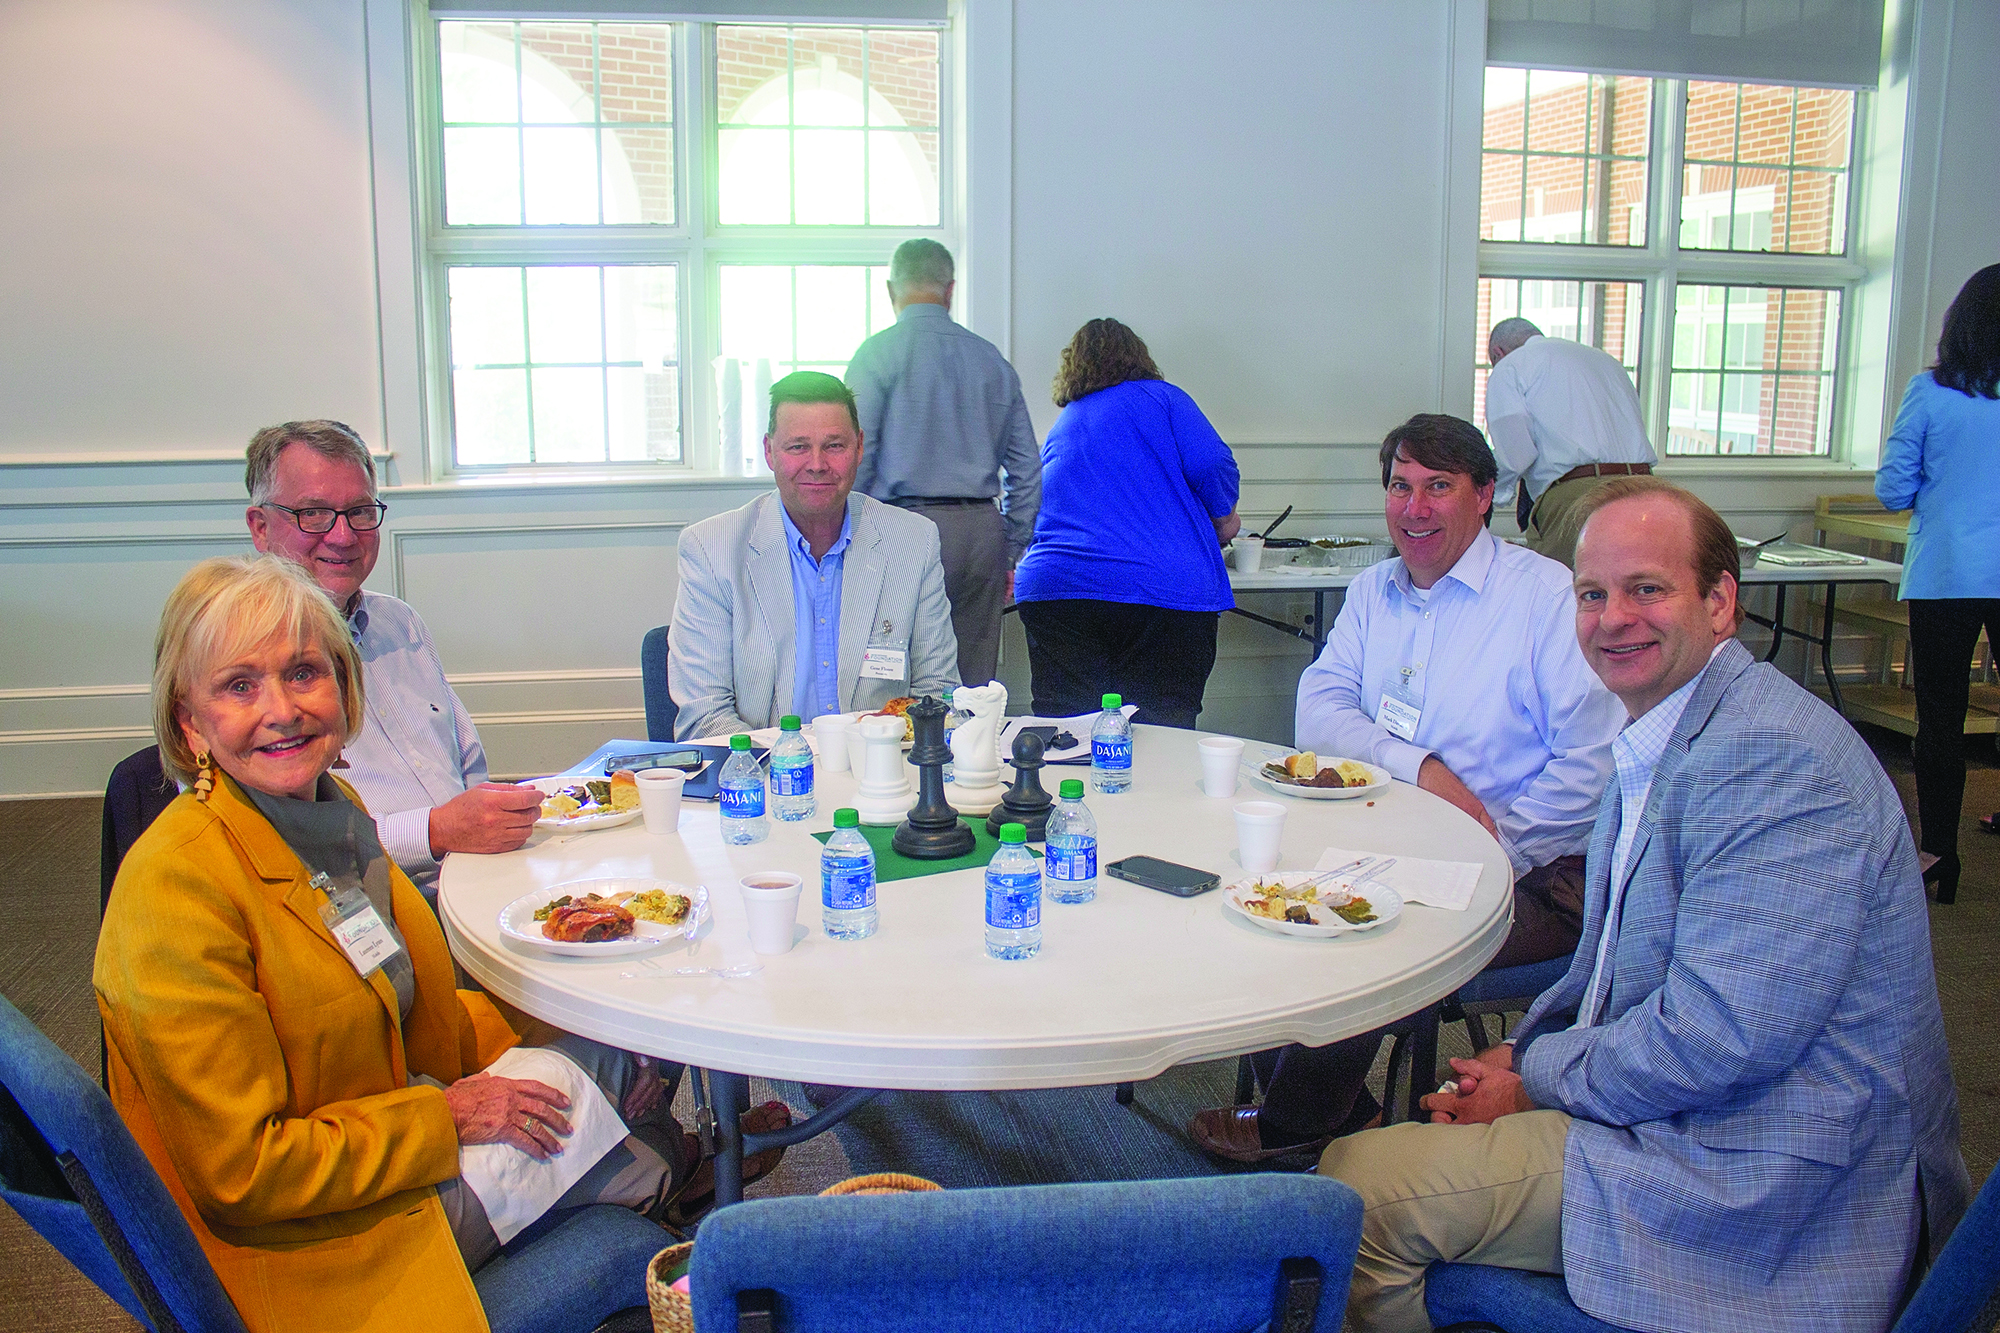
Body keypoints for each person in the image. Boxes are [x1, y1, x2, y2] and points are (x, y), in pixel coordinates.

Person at [1320, 477, 1971, 1333]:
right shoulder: (1675, 723)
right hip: (1701, 1105)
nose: (1611, 617)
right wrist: (1528, 1052)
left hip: (1767, 1168)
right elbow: (1626, 970)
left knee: (1359, 1193)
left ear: (1721, 602)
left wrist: (1534, 1082)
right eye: (1592, 594)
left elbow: (1719, 1036)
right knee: (1362, 1157)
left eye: (1647, 589)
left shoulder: (1775, 762)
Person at [93, 554, 696, 1333]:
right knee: (621, 1141)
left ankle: (663, 1168)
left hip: (377, 1132)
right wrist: (445, 1119)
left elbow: (410, 1011)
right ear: (188, 722)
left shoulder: (330, 811)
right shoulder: (175, 890)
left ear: (344, 692)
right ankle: (673, 1178)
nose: (281, 708)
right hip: (308, 1242)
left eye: (304, 672)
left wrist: (588, 1029)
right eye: (240, 686)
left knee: (620, 1033)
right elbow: (244, 1173)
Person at [1189, 413, 1622, 1164]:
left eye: (1439, 488)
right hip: (1385, 841)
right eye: (1400, 486)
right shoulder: (1372, 590)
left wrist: (1490, 852)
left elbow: (1592, 764)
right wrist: (1422, 767)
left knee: (1363, 937)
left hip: (1541, 870)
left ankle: (1299, 1125)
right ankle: (1336, 1102)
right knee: (1264, 893)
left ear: (1485, 495)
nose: (1415, 509)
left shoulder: (1547, 600)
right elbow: (1317, 710)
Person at [244, 420, 541, 901]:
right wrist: (438, 831)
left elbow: (467, 764)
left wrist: (485, 830)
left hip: (474, 878)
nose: (342, 536)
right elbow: (281, 842)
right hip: (360, 908)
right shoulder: (240, 667)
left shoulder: (398, 624)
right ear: (260, 527)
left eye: (360, 511)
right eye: (314, 514)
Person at [669, 371, 958, 740]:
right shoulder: (711, 548)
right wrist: (795, 767)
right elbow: (704, 715)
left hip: (880, 775)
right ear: (769, 452)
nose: (817, 464)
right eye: (798, 447)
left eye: (834, 445)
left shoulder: (913, 542)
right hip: (767, 779)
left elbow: (937, 693)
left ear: (859, 448)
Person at [1010, 318, 1241, 728]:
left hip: (1058, 592)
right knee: (1163, 727)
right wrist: (1223, 515)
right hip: (1161, 593)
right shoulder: (1164, 399)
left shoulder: (1064, 426)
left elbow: (1033, 501)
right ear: (1139, 357)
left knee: (1070, 729)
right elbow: (1211, 462)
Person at [845, 239, 1041, 686]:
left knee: (891, 676)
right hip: (979, 533)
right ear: (949, 290)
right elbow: (1027, 469)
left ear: (891, 289)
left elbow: (856, 454)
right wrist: (1009, 544)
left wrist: (850, 537)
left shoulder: (876, 355)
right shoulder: (992, 360)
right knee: (971, 686)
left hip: (899, 527)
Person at [1874, 262, 2000, 904]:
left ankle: (1940, 855)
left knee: (1942, 717)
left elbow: (1892, 487)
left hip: (1948, 570)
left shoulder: (1931, 392)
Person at [1484, 317, 1655, 567]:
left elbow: (1517, 455)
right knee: (1637, 586)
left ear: (1498, 353)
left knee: (1564, 594)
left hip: (1579, 497)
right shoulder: (1605, 361)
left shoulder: (1510, 366)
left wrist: (1487, 494)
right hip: (1647, 489)